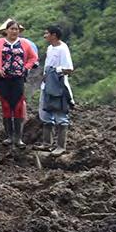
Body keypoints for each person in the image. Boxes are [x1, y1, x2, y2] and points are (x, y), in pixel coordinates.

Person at [0, 18, 38, 149]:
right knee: (5, 106)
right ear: (6, 30)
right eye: (12, 29)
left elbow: (33, 57)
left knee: (18, 107)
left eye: (16, 29)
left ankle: (18, 138)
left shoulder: (24, 43)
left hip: (18, 79)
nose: (14, 31)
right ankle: (9, 136)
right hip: (2, 79)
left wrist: (26, 67)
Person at [39, 24, 75, 153]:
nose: (45, 36)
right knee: (45, 114)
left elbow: (69, 69)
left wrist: (54, 71)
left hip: (58, 87)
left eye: (46, 33)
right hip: (46, 86)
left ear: (53, 35)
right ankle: (47, 143)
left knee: (60, 115)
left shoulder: (63, 49)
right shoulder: (50, 48)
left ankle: (61, 146)